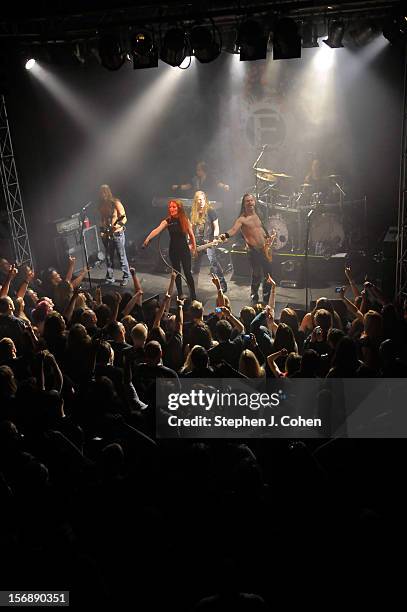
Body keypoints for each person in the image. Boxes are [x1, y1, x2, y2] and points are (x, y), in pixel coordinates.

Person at [220, 193, 275, 304]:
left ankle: (266, 297)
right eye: (247, 201)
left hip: (264, 249)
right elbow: (233, 230)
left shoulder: (258, 214)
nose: (250, 202)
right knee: (256, 273)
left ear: (254, 202)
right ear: (244, 204)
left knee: (268, 274)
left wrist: (269, 237)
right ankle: (254, 295)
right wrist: (225, 235)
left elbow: (260, 229)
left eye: (251, 200)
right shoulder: (242, 219)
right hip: (253, 250)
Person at [143, 199, 197, 300]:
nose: (171, 209)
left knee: (187, 272)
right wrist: (148, 238)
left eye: (174, 207)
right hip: (173, 250)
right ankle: (180, 293)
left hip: (184, 250)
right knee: (176, 272)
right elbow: (157, 230)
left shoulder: (185, 219)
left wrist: (194, 247)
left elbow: (191, 234)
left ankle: (193, 294)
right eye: (170, 207)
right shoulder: (167, 221)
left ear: (179, 208)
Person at [191, 191, 227, 293]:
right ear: (196, 201)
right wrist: (190, 240)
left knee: (214, 263)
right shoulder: (194, 213)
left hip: (209, 242)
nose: (201, 202)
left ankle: (222, 284)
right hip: (197, 242)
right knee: (195, 265)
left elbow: (216, 226)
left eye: (202, 200)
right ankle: (193, 286)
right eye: (199, 200)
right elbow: (191, 228)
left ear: (205, 200)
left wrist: (215, 238)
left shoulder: (211, 211)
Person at [98, 184, 130, 287]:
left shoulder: (115, 202)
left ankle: (126, 276)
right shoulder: (101, 205)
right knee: (108, 257)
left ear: (107, 192)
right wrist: (102, 230)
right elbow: (102, 219)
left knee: (121, 256)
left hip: (117, 234)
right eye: (100, 192)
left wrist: (116, 226)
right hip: (107, 234)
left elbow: (124, 218)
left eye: (104, 192)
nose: (102, 194)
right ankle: (110, 277)